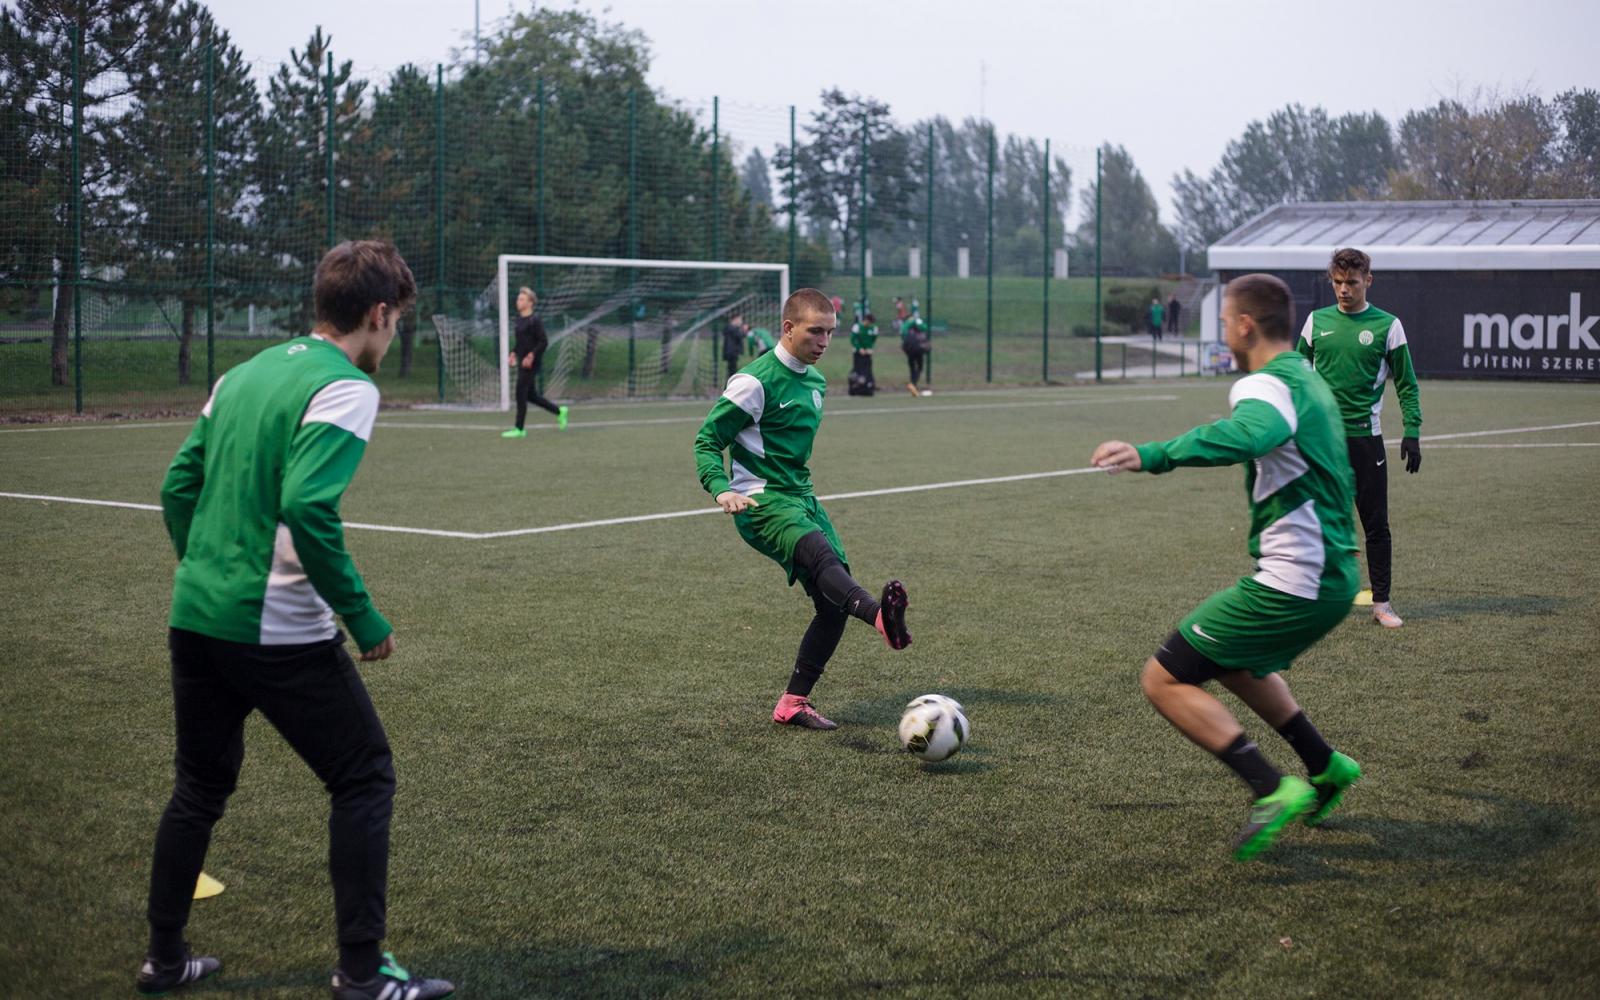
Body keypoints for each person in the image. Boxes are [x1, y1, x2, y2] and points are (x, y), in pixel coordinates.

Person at [143, 241, 454, 999]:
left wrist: (205, 568)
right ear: (377, 314)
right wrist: (363, 616)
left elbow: (178, 485)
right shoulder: (345, 386)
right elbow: (307, 506)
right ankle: (361, 973)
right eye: (395, 322)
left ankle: (165, 958)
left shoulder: (244, 373)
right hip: (275, 626)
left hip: (196, 614)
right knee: (363, 776)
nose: (391, 337)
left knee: (199, 788)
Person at [1091, 273, 1363, 862]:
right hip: (1332, 574)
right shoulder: (1308, 378)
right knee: (1233, 662)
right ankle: (1324, 765)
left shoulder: (1264, 384)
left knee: (1163, 678)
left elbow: (1250, 434)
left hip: (1298, 579)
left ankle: (1270, 787)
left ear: (1244, 325)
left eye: (1223, 323)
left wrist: (1153, 455)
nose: (1222, 334)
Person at [693, 288, 912, 730]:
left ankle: (792, 703)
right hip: (760, 500)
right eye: (816, 332)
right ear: (789, 328)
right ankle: (880, 618)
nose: (824, 342)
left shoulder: (816, 382)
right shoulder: (753, 382)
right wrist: (720, 489)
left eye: (830, 333)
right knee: (823, 559)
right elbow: (706, 442)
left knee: (833, 604)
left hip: (801, 498)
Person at [1296, 247, 1422, 628]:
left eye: (1351, 282)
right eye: (1337, 282)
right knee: (1315, 523)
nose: (1343, 289)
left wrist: (1412, 431)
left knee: (1375, 525)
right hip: (1322, 442)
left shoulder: (1388, 326)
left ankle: (1382, 604)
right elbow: (1296, 376)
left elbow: (1406, 384)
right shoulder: (1315, 322)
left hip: (1366, 441)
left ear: (1368, 280)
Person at [502, 286, 569, 438]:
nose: (518, 301)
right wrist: (513, 353)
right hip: (523, 362)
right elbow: (520, 343)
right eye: (518, 299)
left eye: (522, 299)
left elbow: (543, 341)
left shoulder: (535, 321)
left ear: (530, 303)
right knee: (531, 395)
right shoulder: (519, 320)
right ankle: (560, 411)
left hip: (532, 362)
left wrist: (531, 355)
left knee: (520, 391)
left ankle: (519, 429)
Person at [848, 311, 878, 396]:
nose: (870, 324)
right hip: (858, 354)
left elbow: (873, 340)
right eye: (869, 322)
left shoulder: (873, 328)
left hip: (868, 354)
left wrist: (870, 349)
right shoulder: (857, 327)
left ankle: (868, 389)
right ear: (865, 320)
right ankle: (854, 389)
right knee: (857, 371)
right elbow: (853, 339)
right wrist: (859, 348)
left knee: (867, 371)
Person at [902, 315, 931, 396]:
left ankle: (913, 385)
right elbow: (925, 328)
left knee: (912, 368)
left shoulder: (906, 326)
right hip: (918, 348)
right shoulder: (917, 322)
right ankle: (913, 383)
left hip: (909, 349)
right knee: (920, 367)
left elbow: (903, 334)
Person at [721, 311, 746, 383]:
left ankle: (730, 385)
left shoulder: (730, 328)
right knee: (732, 372)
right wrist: (744, 330)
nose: (741, 322)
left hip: (731, 352)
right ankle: (731, 386)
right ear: (735, 319)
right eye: (740, 319)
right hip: (731, 352)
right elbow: (740, 336)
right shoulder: (731, 328)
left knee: (732, 371)